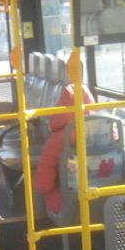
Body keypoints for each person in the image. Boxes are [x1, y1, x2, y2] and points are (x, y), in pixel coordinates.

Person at [34, 83, 96, 215]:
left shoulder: (58, 140)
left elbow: (44, 183)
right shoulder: (108, 133)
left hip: (69, 205)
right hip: (103, 199)